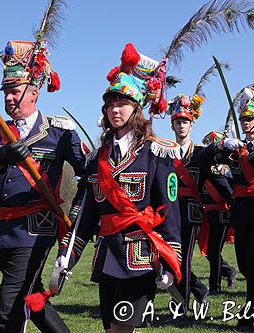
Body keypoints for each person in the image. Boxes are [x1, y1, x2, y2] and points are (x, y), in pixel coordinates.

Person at [56, 43, 181, 332]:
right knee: (110, 327)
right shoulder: (95, 159)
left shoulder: (156, 154)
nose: (115, 109)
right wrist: (68, 253)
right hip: (107, 256)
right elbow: (85, 215)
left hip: (141, 256)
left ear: (136, 109)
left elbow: (170, 213)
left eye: (122, 103)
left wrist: (169, 259)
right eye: (110, 103)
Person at [0, 40, 86, 332]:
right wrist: (3, 156)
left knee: (10, 305)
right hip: (3, 229)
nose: (9, 99)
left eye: (15, 92)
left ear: (34, 94)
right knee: (32, 296)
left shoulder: (58, 132)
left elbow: (88, 174)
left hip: (35, 229)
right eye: (6, 93)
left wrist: (77, 216)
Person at [199, 87, 254, 329]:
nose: (246, 123)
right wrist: (221, 144)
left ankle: (248, 316)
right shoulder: (233, 151)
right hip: (239, 212)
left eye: (250, 119)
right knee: (244, 266)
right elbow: (202, 160)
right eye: (243, 119)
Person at [167, 94, 210, 312]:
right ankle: (200, 290)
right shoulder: (164, 152)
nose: (181, 125)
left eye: (185, 122)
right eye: (177, 122)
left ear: (191, 125)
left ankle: (182, 306)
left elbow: (218, 180)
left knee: (183, 261)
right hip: (168, 214)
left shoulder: (202, 153)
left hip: (191, 214)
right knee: (170, 259)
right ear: (172, 125)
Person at [201, 131, 237, 295]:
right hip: (209, 214)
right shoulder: (206, 166)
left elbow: (228, 190)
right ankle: (228, 271)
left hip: (222, 213)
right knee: (210, 251)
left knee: (213, 251)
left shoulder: (222, 168)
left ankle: (215, 285)